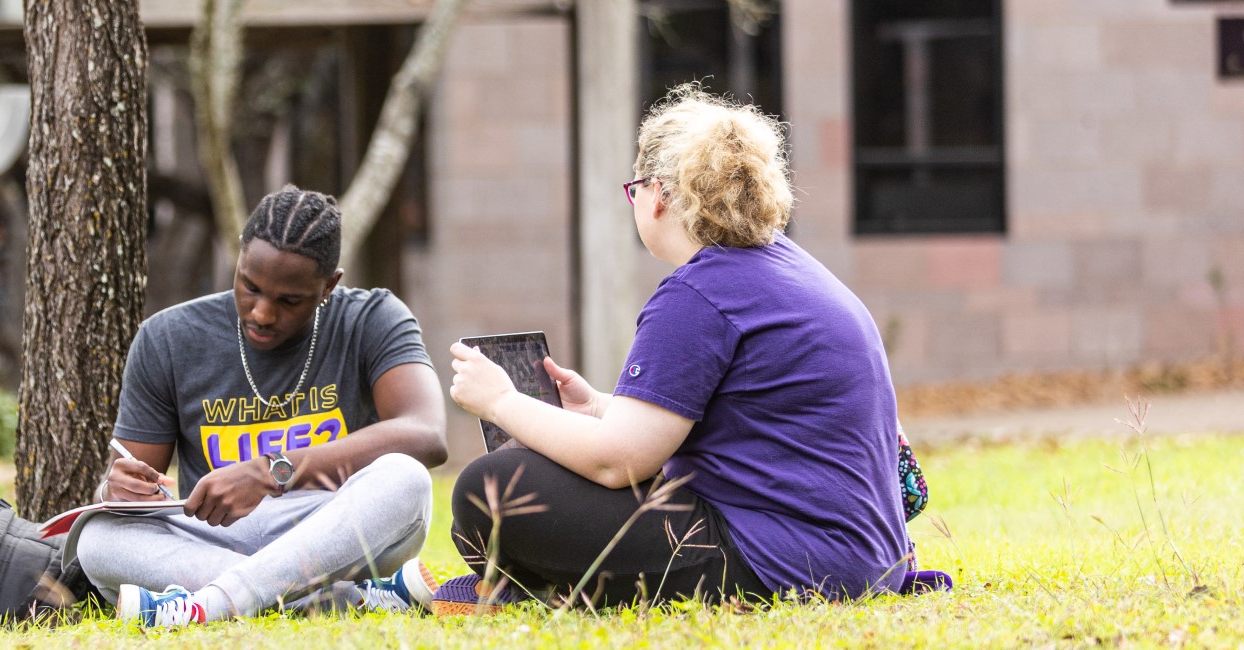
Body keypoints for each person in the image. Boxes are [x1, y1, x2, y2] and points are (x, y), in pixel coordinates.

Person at [442, 85, 912, 609]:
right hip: (866, 558)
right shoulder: (788, 267)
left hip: (786, 561)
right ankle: (546, 586)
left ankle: (537, 586)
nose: (635, 202)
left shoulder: (699, 293)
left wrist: (500, 402)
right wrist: (600, 407)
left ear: (659, 192)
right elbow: (725, 423)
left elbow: (615, 463)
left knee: (491, 488)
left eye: (634, 189)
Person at [73, 185, 450, 627]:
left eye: (289, 300)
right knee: (96, 539)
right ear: (238, 258)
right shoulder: (168, 337)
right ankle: (337, 600)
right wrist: (114, 491)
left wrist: (272, 469)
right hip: (216, 537)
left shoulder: (372, 318)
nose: (263, 313)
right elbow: (135, 489)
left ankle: (206, 606)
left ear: (329, 285)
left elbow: (425, 435)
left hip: (335, 529)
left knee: (405, 480)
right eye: (250, 287)